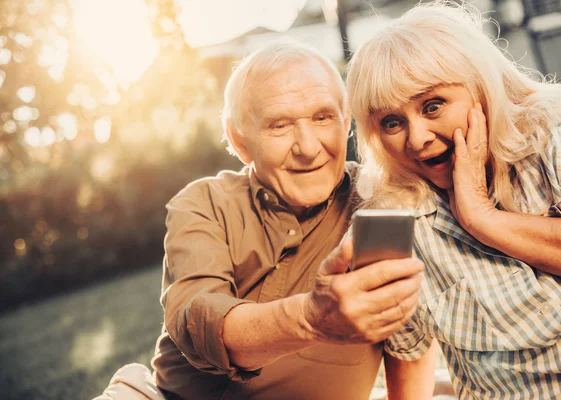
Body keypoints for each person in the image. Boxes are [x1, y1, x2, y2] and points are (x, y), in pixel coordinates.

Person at [94, 40, 438, 400]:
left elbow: (412, 337)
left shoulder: (382, 205)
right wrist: (311, 319)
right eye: (279, 125)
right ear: (238, 141)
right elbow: (197, 320)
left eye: (322, 118)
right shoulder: (203, 204)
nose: (307, 147)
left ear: (346, 120)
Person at [345, 1, 561, 399]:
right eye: (392, 122)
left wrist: (483, 218)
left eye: (433, 106)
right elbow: (408, 354)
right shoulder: (385, 220)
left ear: (481, 87)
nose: (417, 139)